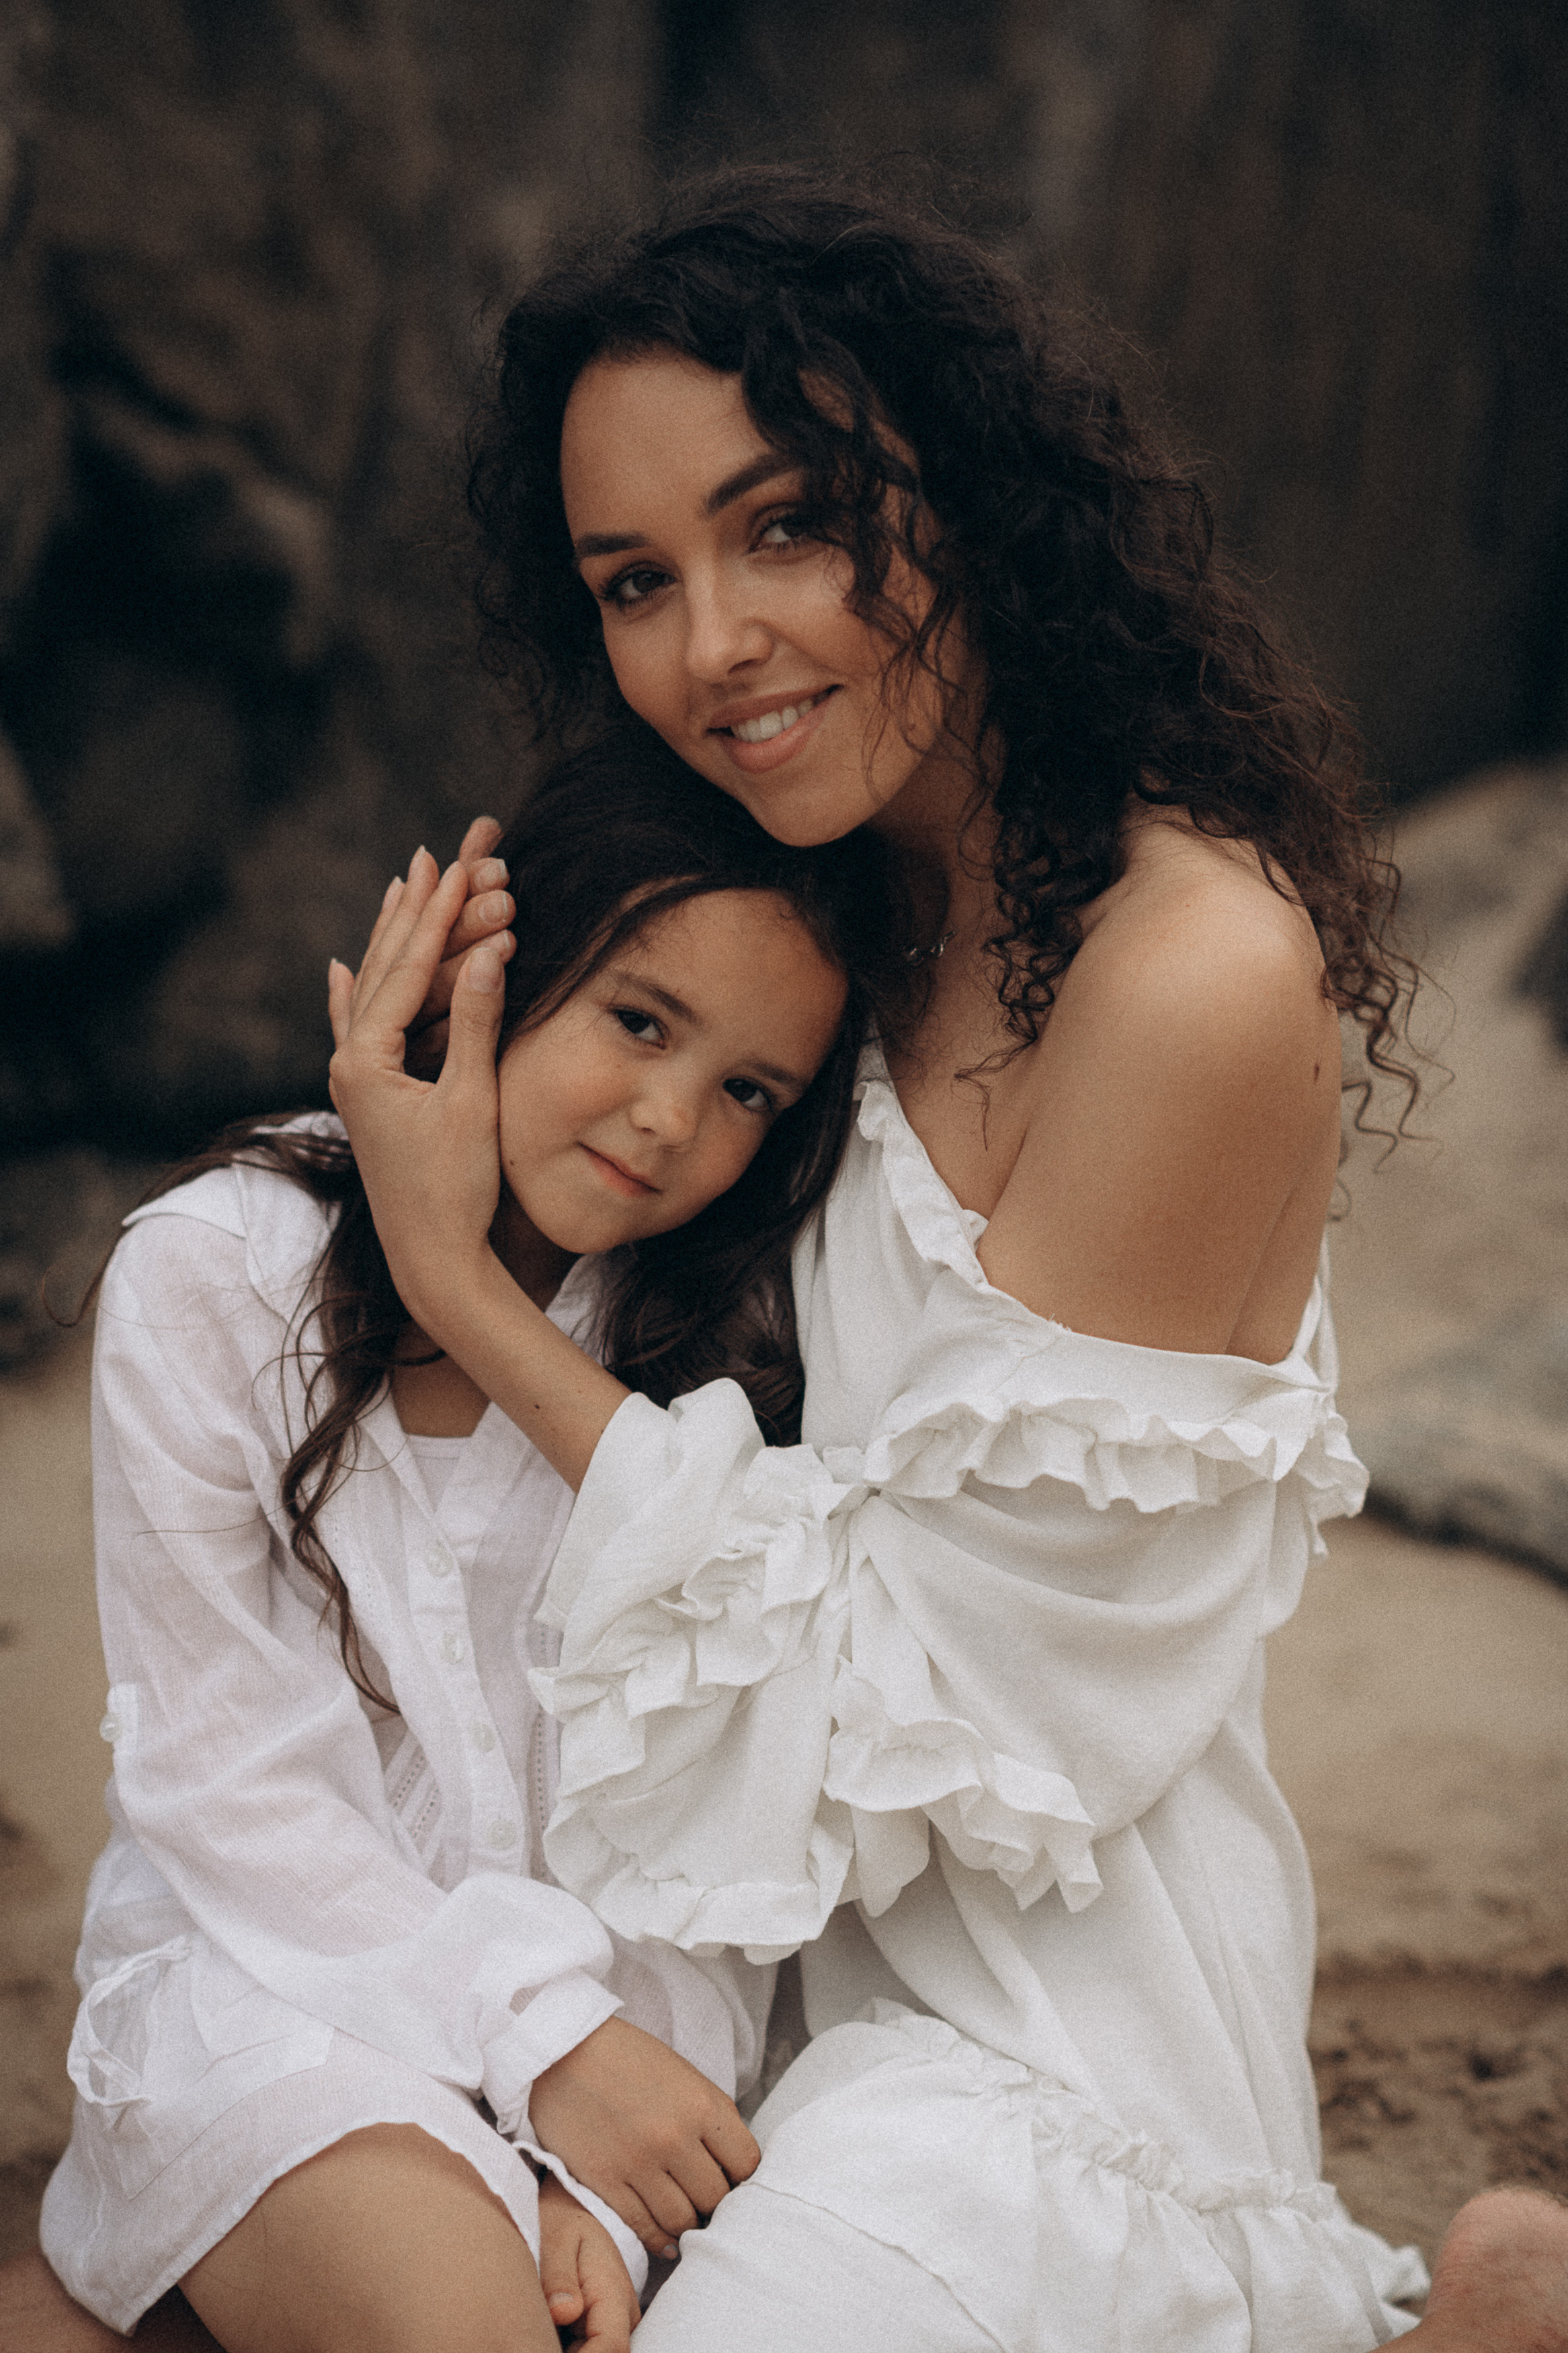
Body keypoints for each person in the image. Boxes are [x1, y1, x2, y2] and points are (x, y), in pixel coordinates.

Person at [320, 167, 1568, 2352]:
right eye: (634, 577)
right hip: (703, 1979)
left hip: (1036, 2050)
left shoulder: (1185, 975)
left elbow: (950, 1696)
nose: (710, 645)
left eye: (782, 523)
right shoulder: (798, 948)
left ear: (964, 491)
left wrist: (472, 1300)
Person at [23, 732, 905, 2353]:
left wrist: (607, 2163)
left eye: (747, 1091)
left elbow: (722, 1828)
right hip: (280, 1989)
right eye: (641, 1019)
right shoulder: (216, 1274)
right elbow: (226, 1776)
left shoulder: (729, 1351)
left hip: (629, 2055)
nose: (665, 1119)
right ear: (491, 965)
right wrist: (541, 2042)